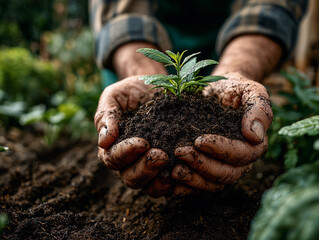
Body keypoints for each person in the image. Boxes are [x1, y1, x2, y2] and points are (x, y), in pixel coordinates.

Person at [90, 0, 308, 197]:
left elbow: (273, 6)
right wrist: (142, 73)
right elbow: (120, 12)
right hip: (139, 48)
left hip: (240, 38)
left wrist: (237, 69)